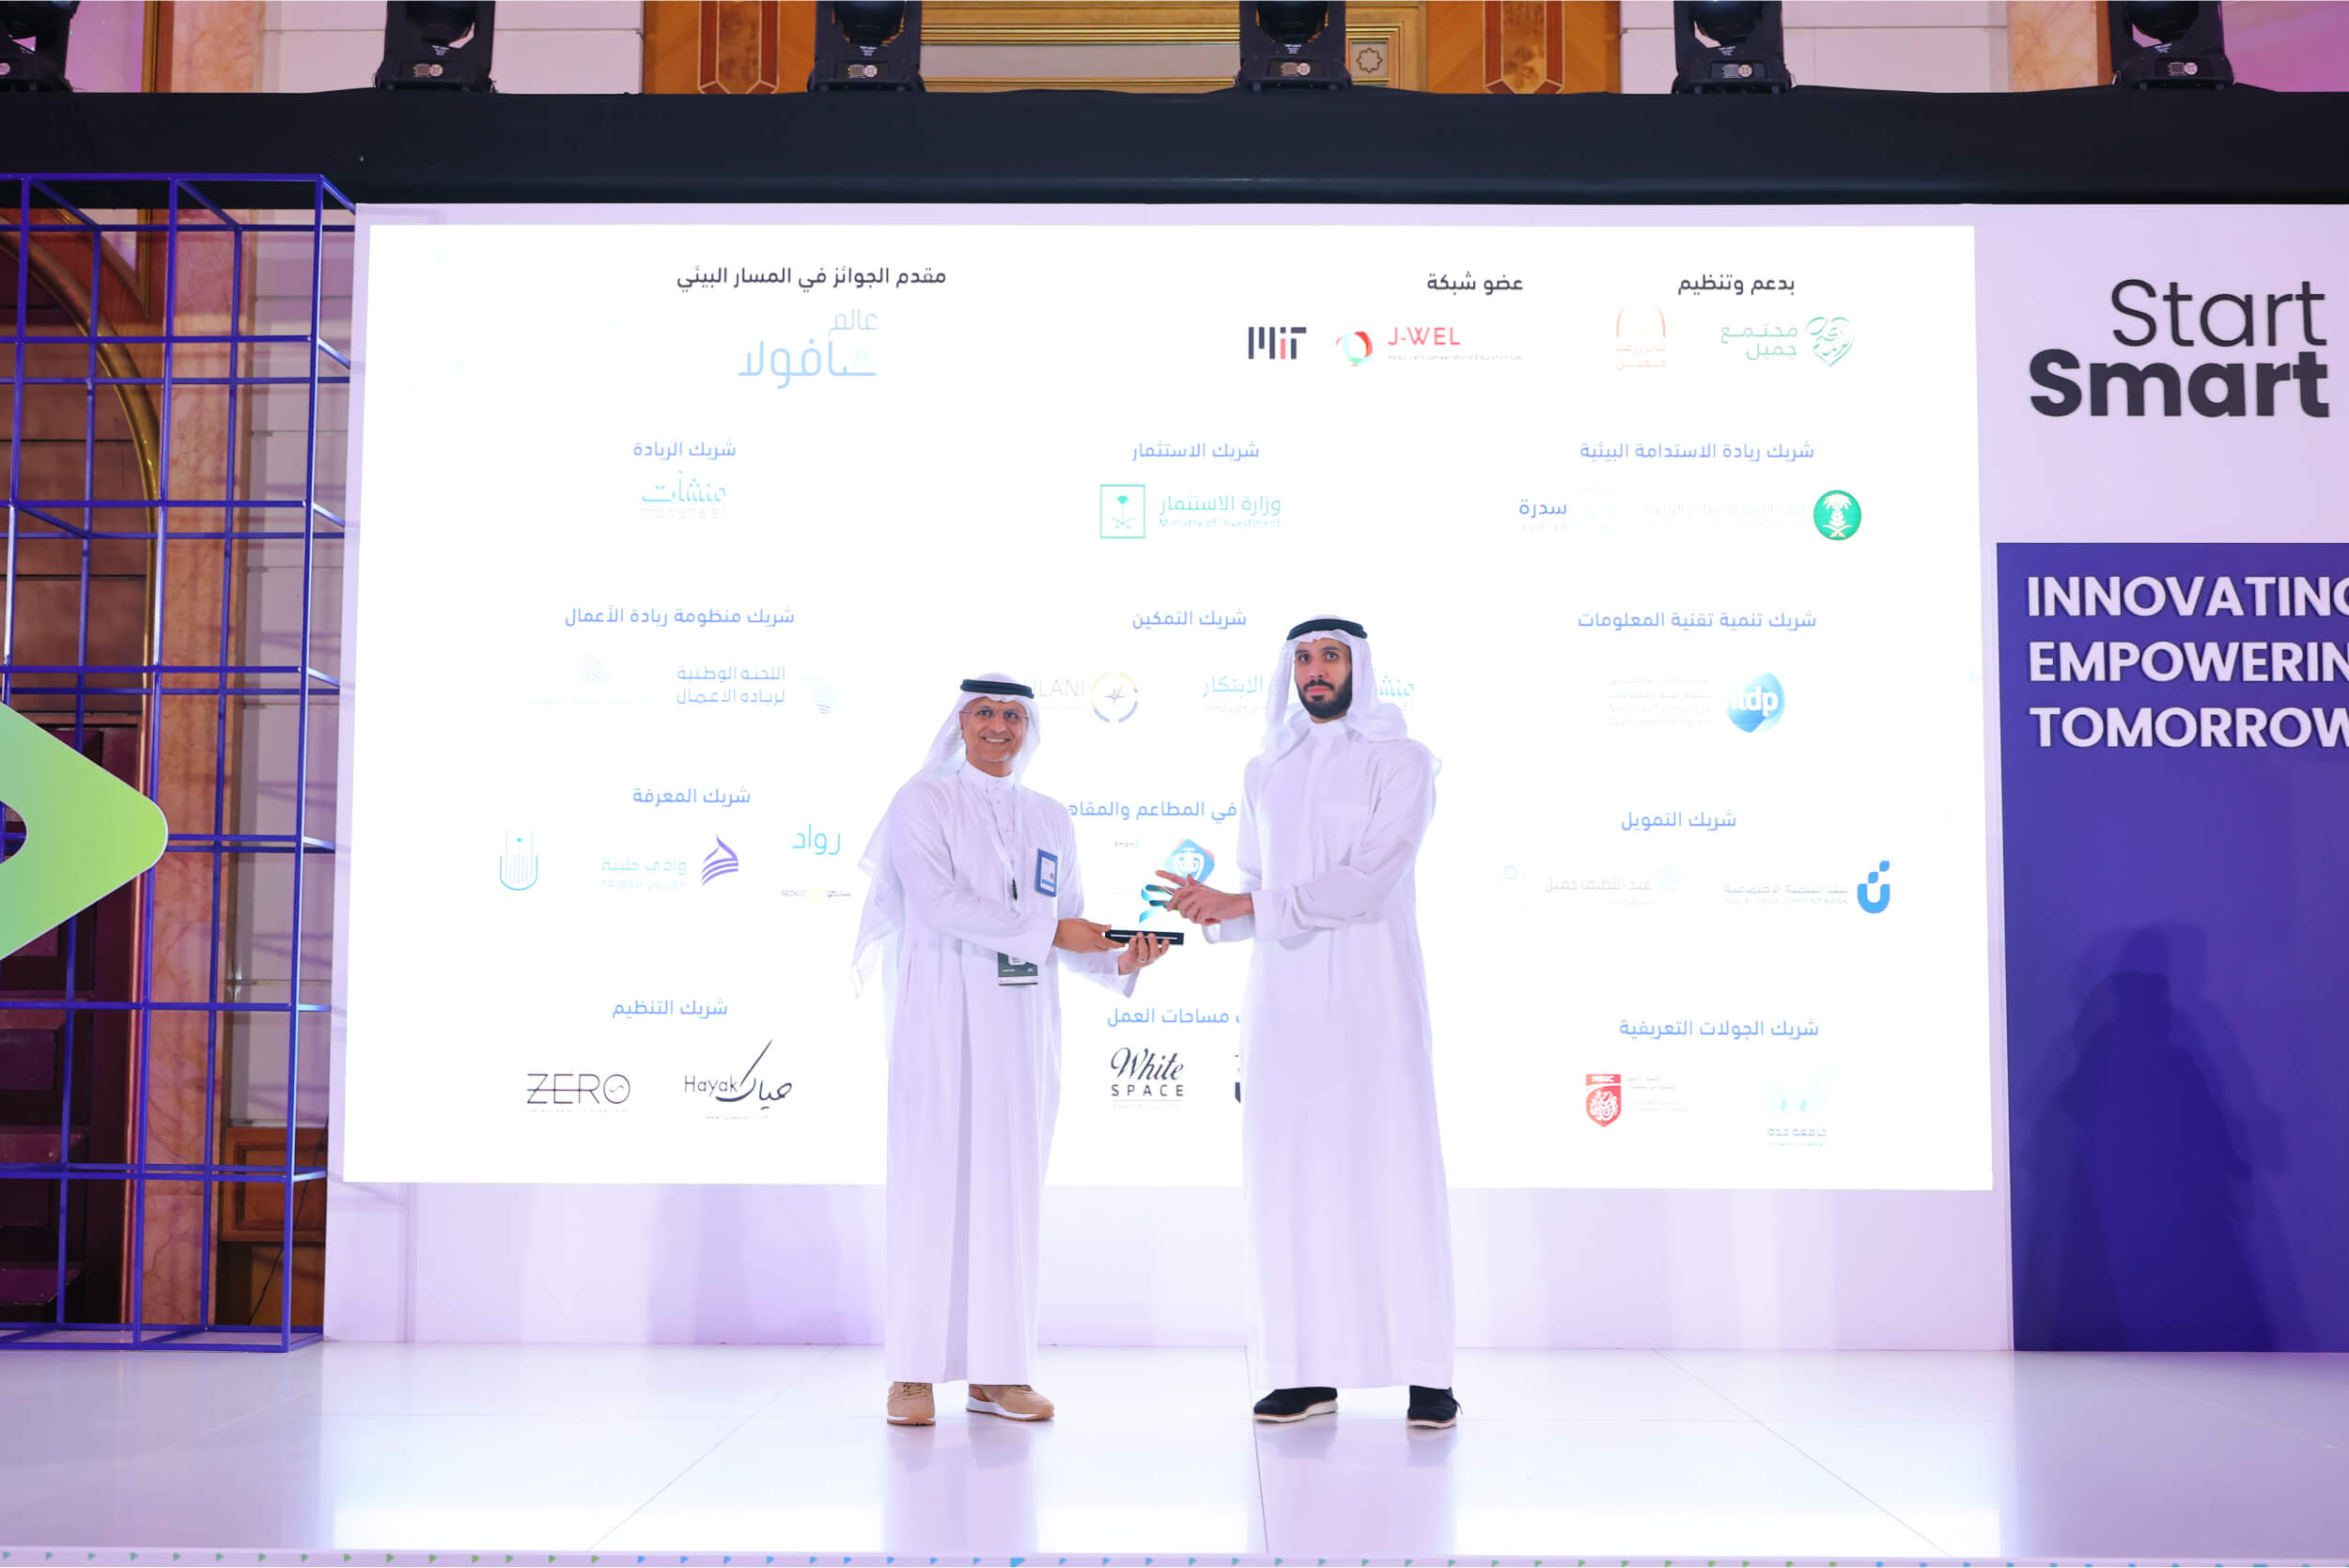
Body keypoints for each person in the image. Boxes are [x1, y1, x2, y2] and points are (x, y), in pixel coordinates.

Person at [1157, 618, 1460, 1430]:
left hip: (1375, 995)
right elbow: (1255, 882)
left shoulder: (1402, 760)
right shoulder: (1266, 769)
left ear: (1359, 665)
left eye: (1330, 656)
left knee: (1392, 1171)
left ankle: (1426, 1373)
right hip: (1283, 999)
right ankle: (1301, 1372)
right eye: (1303, 658)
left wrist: (1247, 904)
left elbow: (1369, 880)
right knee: (1289, 1179)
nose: (1315, 670)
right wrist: (1211, 910)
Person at [853, 675, 1172, 1426]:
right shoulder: (922, 801)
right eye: (985, 713)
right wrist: (1054, 932)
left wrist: (1120, 958)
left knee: (1008, 1192)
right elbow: (938, 904)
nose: (998, 726)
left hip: (1022, 1025)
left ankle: (998, 1374)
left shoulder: (1050, 817)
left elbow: (1069, 923)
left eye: (1012, 716)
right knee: (930, 1185)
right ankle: (911, 1374)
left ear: (1028, 727)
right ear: (960, 721)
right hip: (940, 1012)